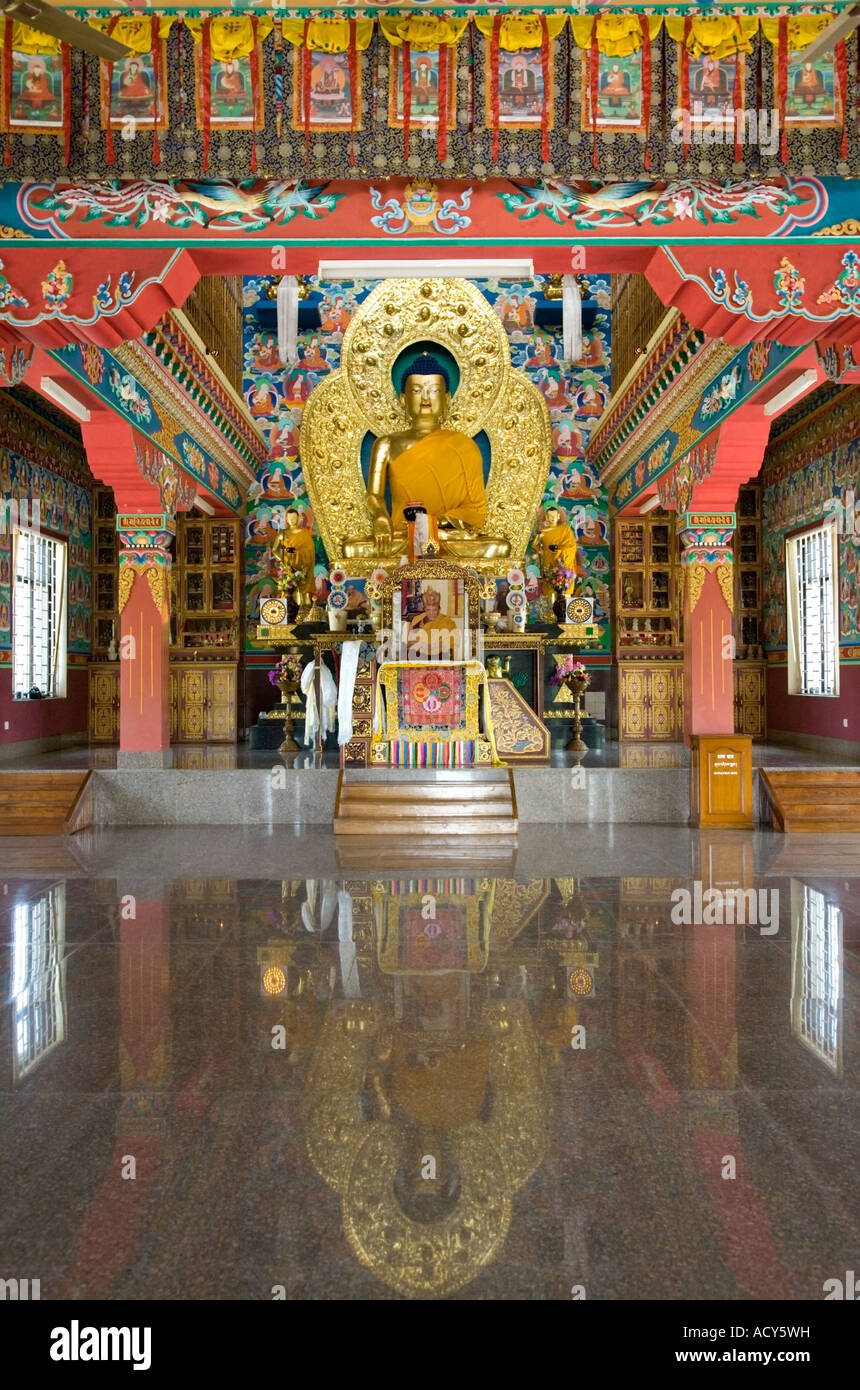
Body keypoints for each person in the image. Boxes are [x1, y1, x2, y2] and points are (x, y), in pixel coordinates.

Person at [342, 353, 509, 562]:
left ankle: (433, 536)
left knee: (498, 547)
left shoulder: (464, 444)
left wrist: (439, 523)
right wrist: (381, 517)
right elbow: (374, 496)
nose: (426, 398)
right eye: (417, 390)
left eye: (434, 390)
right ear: (403, 399)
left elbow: (475, 509)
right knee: (352, 550)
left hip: (449, 535)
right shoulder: (386, 444)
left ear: (447, 398)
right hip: (403, 535)